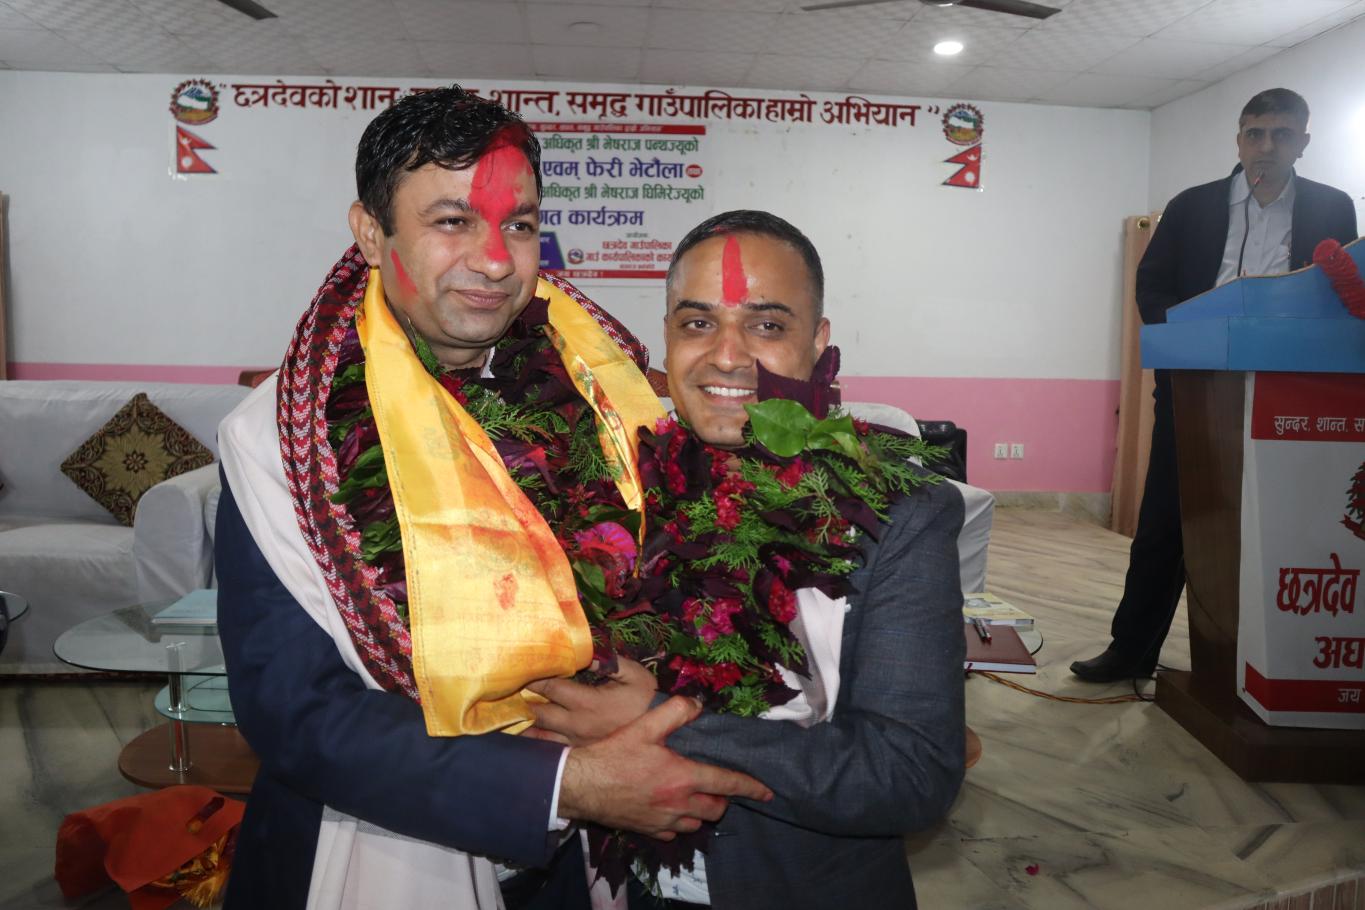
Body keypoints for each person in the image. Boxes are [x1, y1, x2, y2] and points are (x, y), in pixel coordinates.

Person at [213, 87, 772, 910]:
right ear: (370, 232)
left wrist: (654, 703)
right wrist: (566, 783)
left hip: (591, 864)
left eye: (518, 225)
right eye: (452, 221)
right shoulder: (284, 441)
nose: (496, 260)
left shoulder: (605, 398)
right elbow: (296, 713)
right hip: (379, 847)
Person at [528, 210, 967, 909]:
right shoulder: (609, 489)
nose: (727, 356)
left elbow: (908, 775)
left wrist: (667, 720)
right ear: (667, 335)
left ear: (817, 341)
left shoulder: (896, 516)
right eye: (697, 322)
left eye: (766, 325)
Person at [1071, 88, 1358, 683]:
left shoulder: (1332, 208)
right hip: (1197, 389)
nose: (1266, 146)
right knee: (1166, 522)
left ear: (1303, 141)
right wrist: (1190, 338)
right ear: (1239, 140)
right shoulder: (1192, 205)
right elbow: (1152, 286)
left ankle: (1259, 662)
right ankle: (1132, 650)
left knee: (1275, 524)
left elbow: (1338, 296)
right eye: (1255, 133)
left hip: (1290, 391)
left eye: (1281, 134)